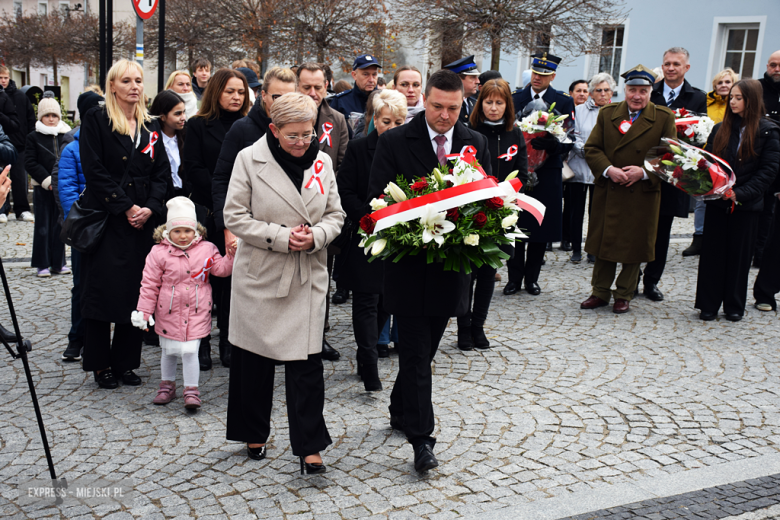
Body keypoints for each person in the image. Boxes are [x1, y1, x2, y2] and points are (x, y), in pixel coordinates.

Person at [366, 69, 491, 473]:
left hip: (451, 269)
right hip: (407, 267)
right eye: (436, 106)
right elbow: (378, 202)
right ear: (425, 101)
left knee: (426, 350)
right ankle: (423, 440)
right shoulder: (395, 141)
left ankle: (401, 407)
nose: (444, 115)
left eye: (453, 109)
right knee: (417, 355)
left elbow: (487, 201)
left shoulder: (476, 142)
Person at [223, 92, 344, 472]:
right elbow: (235, 216)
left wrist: (318, 236)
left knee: (307, 367)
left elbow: (336, 215)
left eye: (308, 134)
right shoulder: (248, 159)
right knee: (253, 362)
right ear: (274, 130)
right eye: (292, 136)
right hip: (261, 274)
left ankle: (310, 446)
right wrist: (279, 236)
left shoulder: (322, 162)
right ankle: (253, 431)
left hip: (306, 275)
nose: (301, 143)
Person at [79, 59, 169, 389]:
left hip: (141, 222)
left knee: (138, 292)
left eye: (139, 80)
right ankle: (100, 363)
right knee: (102, 292)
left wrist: (149, 207)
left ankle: (126, 362)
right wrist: (126, 206)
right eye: (126, 80)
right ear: (112, 86)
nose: (134, 86)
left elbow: (162, 174)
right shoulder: (97, 119)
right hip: (108, 218)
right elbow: (94, 170)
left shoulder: (151, 126)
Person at [580, 65, 676, 314]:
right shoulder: (608, 113)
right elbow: (592, 148)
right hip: (610, 188)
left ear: (650, 92)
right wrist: (609, 169)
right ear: (625, 90)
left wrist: (644, 172)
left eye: (643, 91)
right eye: (632, 90)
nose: (637, 96)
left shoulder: (664, 117)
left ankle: (624, 293)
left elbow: (670, 157)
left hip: (641, 193)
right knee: (604, 242)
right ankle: (599, 292)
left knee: (634, 245)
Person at [134, 197, 234, 409]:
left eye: (187, 231)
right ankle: (167, 385)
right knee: (168, 350)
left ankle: (191, 389)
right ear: (167, 232)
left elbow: (221, 270)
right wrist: (144, 311)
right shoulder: (158, 253)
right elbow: (149, 284)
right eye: (177, 231)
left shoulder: (207, 249)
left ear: (196, 230)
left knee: (190, 350)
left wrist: (232, 256)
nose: (182, 236)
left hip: (197, 309)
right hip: (168, 310)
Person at [337, 89, 407, 390]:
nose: (390, 128)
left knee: (385, 302)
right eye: (385, 121)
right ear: (374, 119)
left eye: (397, 122)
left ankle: (367, 352)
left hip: (396, 237)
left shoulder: (408, 151)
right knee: (366, 300)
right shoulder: (357, 149)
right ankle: (368, 362)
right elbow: (345, 192)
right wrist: (370, 215)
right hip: (365, 235)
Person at [695, 80, 780, 321]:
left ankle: (734, 304)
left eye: (738, 97)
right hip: (717, 201)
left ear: (751, 100)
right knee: (712, 255)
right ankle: (708, 304)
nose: (732, 101)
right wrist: (706, 185)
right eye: (731, 97)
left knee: (739, 256)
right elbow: (708, 162)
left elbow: (768, 172)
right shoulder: (720, 128)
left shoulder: (768, 131)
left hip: (747, 206)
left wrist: (739, 194)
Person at [183, 68, 250, 370]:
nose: (236, 97)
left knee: (231, 283)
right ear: (216, 93)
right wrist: (221, 193)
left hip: (242, 215)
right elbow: (192, 167)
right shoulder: (197, 125)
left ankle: (228, 340)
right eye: (229, 91)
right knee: (202, 281)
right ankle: (201, 343)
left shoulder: (249, 126)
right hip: (208, 212)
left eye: (241, 92)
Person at [462, 78, 528, 351]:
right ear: (480, 103)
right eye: (488, 102)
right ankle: (463, 329)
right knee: (468, 275)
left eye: (499, 103)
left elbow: (523, 174)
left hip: (502, 212)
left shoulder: (515, 134)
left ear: (507, 105)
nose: (493, 108)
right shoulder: (468, 132)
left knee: (489, 273)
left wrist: (505, 195)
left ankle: (478, 327)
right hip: (472, 211)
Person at [504, 52, 574, 297]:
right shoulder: (515, 98)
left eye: (543, 75)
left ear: (552, 76)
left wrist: (556, 146)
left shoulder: (563, 101)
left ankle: (531, 279)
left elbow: (570, 135)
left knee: (539, 226)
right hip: (518, 170)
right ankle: (513, 278)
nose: (537, 78)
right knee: (515, 223)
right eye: (535, 73)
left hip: (548, 171)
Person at [297, 62, 351, 359]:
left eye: (319, 87)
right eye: (307, 87)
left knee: (321, 277)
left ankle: (319, 334)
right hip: (289, 213)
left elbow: (343, 165)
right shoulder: (286, 115)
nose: (314, 93)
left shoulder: (337, 119)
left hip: (322, 216)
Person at [645, 47, 707, 300]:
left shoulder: (697, 97)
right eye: (667, 63)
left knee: (662, 231)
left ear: (686, 68)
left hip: (673, 175)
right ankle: (629, 277)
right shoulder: (650, 92)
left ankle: (650, 281)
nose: (671, 68)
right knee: (640, 228)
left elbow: (700, 135)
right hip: (647, 170)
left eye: (676, 64)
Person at [56, 90, 104, 363]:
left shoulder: (107, 140)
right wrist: (82, 223)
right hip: (85, 226)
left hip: (109, 223)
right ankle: (77, 337)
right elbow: (67, 190)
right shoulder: (72, 149)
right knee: (81, 284)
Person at [683, 68, 740, 258]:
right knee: (702, 198)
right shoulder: (705, 101)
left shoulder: (738, 104)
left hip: (729, 156)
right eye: (720, 82)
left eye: (727, 82)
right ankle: (699, 237)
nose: (723, 86)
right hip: (707, 153)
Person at [567, 73, 615, 264]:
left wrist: (601, 159)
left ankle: (593, 249)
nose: (603, 94)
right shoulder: (579, 110)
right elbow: (574, 135)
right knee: (575, 212)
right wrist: (589, 153)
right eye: (598, 90)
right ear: (592, 93)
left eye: (607, 90)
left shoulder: (615, 111)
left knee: (597, 212)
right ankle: (576, 249)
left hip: (602, 171)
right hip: (579, 166)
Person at [26, 92, 73, 277]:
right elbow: (30, 162)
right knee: (43, 226)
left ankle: (58, 262)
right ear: (41, 117)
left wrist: (62, 181)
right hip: (43, 187)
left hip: (62, 186)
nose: (51, 119)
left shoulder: (66, 135)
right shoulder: (33, 137)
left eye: (54, 115)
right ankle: (42, 263)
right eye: (47, 115)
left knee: (60, 226)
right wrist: (47, 181)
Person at [753, 50, 780, 269]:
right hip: (755, 157)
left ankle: (761, 254)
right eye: (773, 65)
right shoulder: (756, 88)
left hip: (777, 162)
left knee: (770, 211)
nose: (776, 69)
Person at [561, 79, 592, 253]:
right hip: (568, 163)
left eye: (585, 91)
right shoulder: (569, 109)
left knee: (575, 206)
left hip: (585, 165)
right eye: (578, 91)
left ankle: (570, 238)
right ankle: (563, 236)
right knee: (567, 205)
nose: (582, 94)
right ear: (571, 93)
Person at [0, 66, 32, 223]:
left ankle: (22, 209)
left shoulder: (20, 96)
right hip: (2, 147)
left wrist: (29, 140)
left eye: (5, 77)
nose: (3, 80)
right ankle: (2, 210)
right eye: (0, 78)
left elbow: (29, 119)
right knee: (2, 178)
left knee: (20, 180)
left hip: (19, 145)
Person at [149, 90, 187, 199]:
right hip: (161, 197)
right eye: (178, 113)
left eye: (184, 112)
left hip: (184, 195)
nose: (183, 117)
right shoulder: (152, 139)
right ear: (162, 116)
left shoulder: (186, 136)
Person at [329, 54, 380, 121]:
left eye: (374, 74)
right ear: (354, 75)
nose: (371, 80)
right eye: (365, 74)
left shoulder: (385, 100)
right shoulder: (341, 102)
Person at [443, 55, 480, 126]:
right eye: (473, 77)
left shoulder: (475, 104)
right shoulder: (446, 103)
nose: (477, 81)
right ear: (458, 79)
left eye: (477, 77)